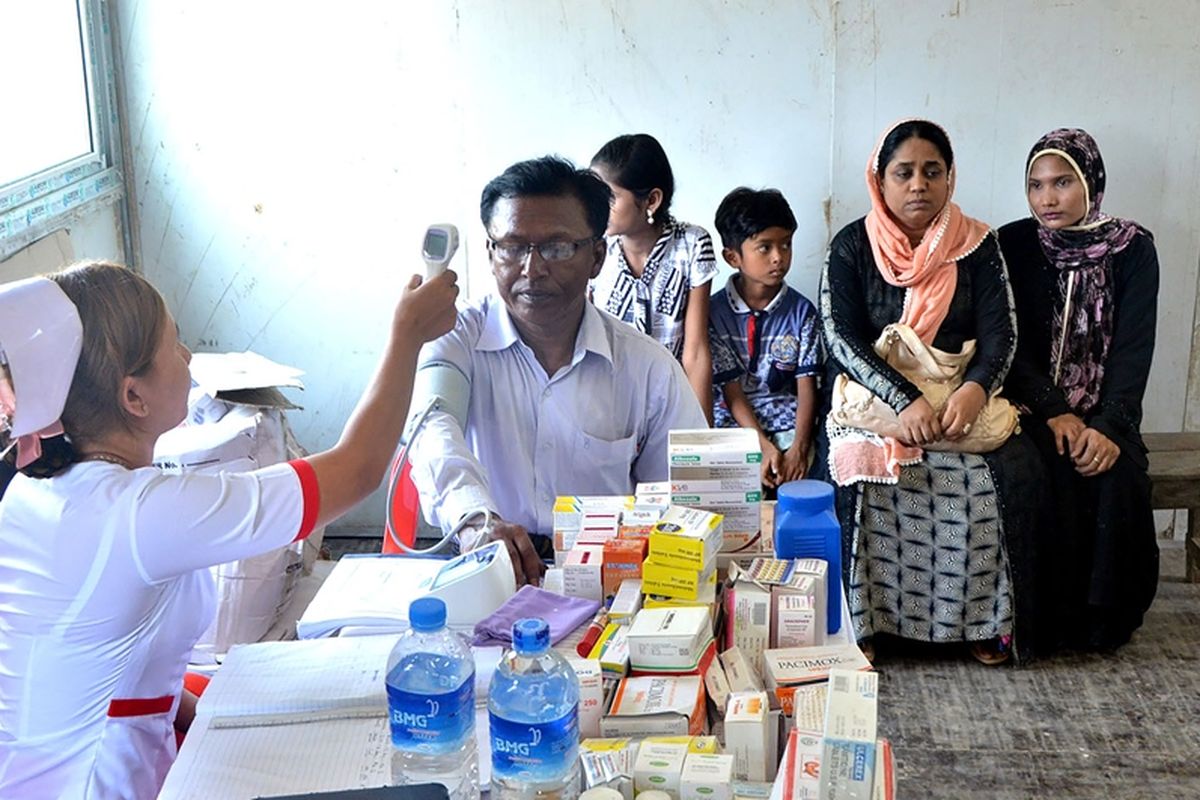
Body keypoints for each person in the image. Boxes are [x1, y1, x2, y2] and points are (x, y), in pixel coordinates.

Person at [0, 262, 458, 798]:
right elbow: (357, 469)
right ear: (134, 397)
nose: (190, 358)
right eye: (175, 344)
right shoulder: (137, 512)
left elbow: (104, 665)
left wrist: (214, 716)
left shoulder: (41, 486)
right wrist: (406, 338)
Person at [408, 156, 708, 586]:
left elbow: (684, 500)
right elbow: (432, 428)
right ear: (491, 254)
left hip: (610, 585)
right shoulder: (457, 338)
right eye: (511, 247)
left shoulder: (648, 369)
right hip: (488, 569)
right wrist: (475, 519)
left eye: (557, 247)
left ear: (597, 257)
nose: (532, 269)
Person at [811, 119, 1043, 665]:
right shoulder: (851, 245)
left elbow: (1002, 332)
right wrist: (902, 399)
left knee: (1001, 475)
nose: (919, 184)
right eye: (904, 172)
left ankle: (981, 625)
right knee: (862, 469)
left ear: (949, 178)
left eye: (932, 172)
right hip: (879, 395)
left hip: (961, 392)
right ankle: (870, 623)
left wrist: (975, 391)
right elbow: (840, 336)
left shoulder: (978, 246)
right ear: (880, 180)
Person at [999, 128, 1160, 652]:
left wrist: (1110, 424)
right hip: (1029, 406)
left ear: (1090, 181)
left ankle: (1103, 626)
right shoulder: (1013, 244)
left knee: (1117, 476)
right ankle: (1041, 623)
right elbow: (1009, 343)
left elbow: (1134, 348)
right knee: (1038, 473)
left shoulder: (1133, 250)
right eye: (1036, 185)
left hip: (1106, 409)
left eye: (1062, 182)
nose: (1047, 198)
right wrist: (1054, 410)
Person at [589, 134, 718, 422]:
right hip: (607, 399)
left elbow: (695, 351)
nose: (596, 208)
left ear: (652, 200)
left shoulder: (692, 244)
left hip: (671, 397)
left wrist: (700, 437)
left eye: (609, 198)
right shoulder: (592, 248)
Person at [708, 187, 820, 490]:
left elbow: (806, 386)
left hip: (788, 424)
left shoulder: (802, 312)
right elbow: (731, 392)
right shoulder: (712, 313)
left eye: (786, 245)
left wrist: (798, 448)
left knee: (804, 477)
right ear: (733, 257)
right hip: (734, 424)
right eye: (765, 247)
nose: (778, 258)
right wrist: (760, 445)